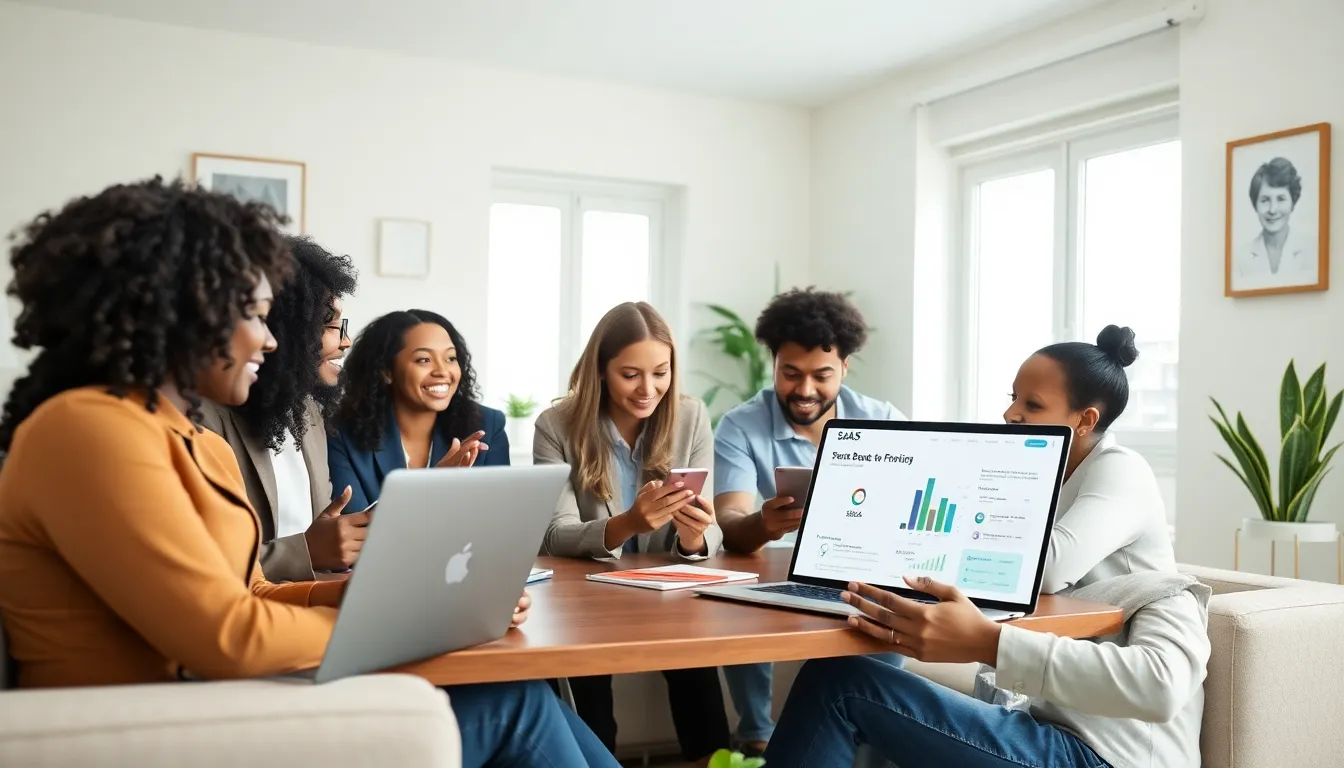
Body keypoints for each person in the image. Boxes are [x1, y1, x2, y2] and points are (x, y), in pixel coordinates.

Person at [0, 178, 616, 767]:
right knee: (512, 707)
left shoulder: (188, 438)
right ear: (186, 311)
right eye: (255, 316)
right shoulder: (90, 430)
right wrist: (417, 625)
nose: (270, 342)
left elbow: (252, 593)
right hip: (141, 724)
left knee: (523, 696)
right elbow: (230, 635)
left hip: (207, 697)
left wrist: (413, 601)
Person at [533, 301, 730, 763]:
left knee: (697, 676)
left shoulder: (691, 416)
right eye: (630, 375)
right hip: (586, 601)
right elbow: (553, 535)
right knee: (592, 704)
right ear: (600, 370)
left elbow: (712, 531)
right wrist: (630, 523)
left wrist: (695, 538)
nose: (649, 389)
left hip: (669, 595)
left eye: (661, 373)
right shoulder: (556, 425)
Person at [711, 287, 905, 754]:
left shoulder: (882, 419)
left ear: (845, 367)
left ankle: (861, 732)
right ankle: (756, 738)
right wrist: (764, 523)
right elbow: (732, 523)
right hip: (774, 566)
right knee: (739, 594)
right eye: (790, 373)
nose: (804, 390)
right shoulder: (741, 425)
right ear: (773, 363)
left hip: (858, 568)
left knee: (895, 601)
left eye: (822, 375)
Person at [200, 236, 365, 580]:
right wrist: (305, 551)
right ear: (289, 329)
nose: (345, 341)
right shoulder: (204, 418)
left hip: (310, 603)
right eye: (332, 325)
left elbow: (324, 538)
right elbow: (208, 561)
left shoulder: (307, 411)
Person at [1006, 324, 1176, 594]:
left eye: (1033, 405)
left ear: (1085, 420)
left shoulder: (1122, 469)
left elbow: (1047, 572)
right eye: (1014, 398)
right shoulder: (1039, 469)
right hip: (1063, 626)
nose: (1009, 413)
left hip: (1127, 631)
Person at [328, 309, 509, 513]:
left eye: (451, 358)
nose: (442, 371)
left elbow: (497, 519)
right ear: (386, 371)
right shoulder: (340, 432)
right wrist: (431, 487)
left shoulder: (488, 426)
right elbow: (354, 529)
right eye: (424, 359)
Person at [1236, 157, 1317, 287]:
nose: (1273, 210)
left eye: (1281, 199)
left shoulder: (1313, 250)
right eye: (1265, 200)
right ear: (1255, 204)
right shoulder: (1239, 257)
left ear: (1293, 202)